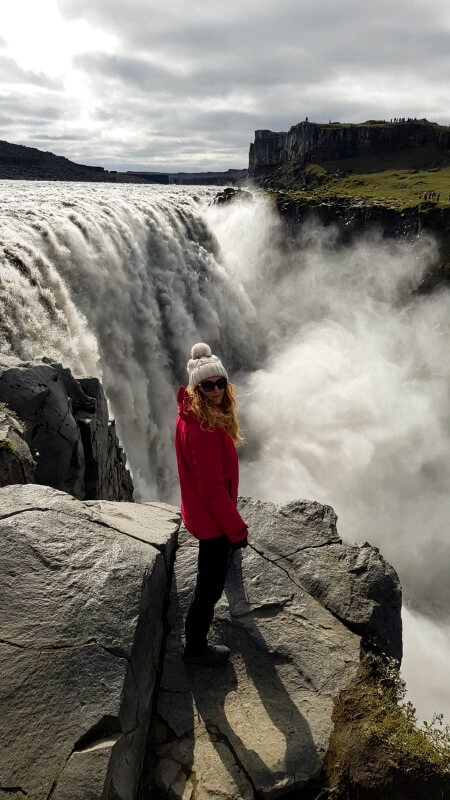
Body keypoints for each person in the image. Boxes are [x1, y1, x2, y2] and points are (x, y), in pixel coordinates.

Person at [175, 342, 248, 666]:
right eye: (208, 385)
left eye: (220, 382)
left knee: (209, 579)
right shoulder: (203, 428)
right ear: (197, 388)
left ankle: (195, 642)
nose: (217, 390)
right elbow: (212, 489)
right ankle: (195, 648)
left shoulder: (193, 415)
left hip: (206, 514)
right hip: (213, 521)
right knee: (209, 586)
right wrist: (236, 529)